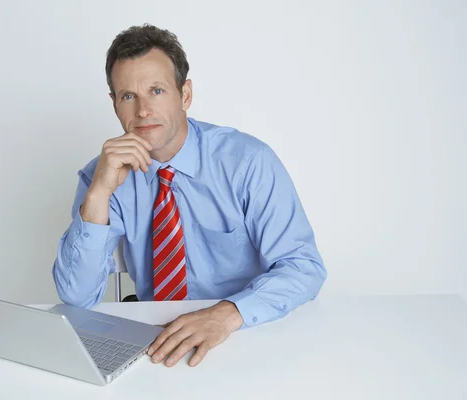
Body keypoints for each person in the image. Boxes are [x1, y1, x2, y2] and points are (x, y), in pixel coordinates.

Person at [52, 24, 327, 368]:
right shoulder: (103, 174)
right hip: (159, 343)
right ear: (114, 103)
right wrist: (98, 195)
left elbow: (304, 267)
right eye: (128, 96)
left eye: (156, 90)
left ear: (185, 95)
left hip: (248, 335)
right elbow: (76, 298)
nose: (142, 111)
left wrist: (227, 314)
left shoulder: (247, 162)